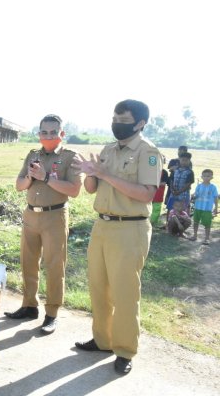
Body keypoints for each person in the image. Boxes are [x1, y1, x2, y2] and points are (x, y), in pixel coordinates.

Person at [72, 99, 162, 375]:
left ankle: (124, 350)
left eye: (123, 120)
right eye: (114, 118)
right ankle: (103, 340)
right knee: (99, 287)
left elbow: (147, 193)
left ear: (140, 123)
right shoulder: (108, 149)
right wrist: (90, 175)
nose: (117, 124)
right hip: (102, 226)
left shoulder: (149, 153)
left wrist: (104, 174)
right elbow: (91, 188)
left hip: (130, 229)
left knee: (125, 292)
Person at [3, 114, 81, 334]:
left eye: (53, 132)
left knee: (55, 266)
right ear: (39, 134)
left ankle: (52, 314)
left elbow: (74, 190)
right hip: (31, 216)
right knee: (28, 262)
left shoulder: (70, 157)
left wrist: (46, 177)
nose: (48, 136)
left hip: (55, 216)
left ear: (61, 134)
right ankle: (29, 306)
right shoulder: (32, 155)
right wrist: (30, 176)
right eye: (44, 132)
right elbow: (19, 185)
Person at [190, 169, 218, 245]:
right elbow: (195, 195)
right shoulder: (199, 186)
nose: (206, 177)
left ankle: (206, 239)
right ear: (202, 177)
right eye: (204, 176)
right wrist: (193, 196)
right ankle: (195, 235)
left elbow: (216, 198)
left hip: (207, 209)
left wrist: (216, 207)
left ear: (211, 177)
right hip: (197, 208)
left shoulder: (213, 187)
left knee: (207, 224)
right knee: (195, 222)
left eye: (208, 176)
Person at [150, 160, 169, 225]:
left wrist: (153, 183)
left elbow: (163, 183)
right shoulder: (150, 170)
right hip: (149, 193)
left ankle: (153, 222)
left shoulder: (164, 172)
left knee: (156, 209)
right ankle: (148, 221)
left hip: (158, 194)